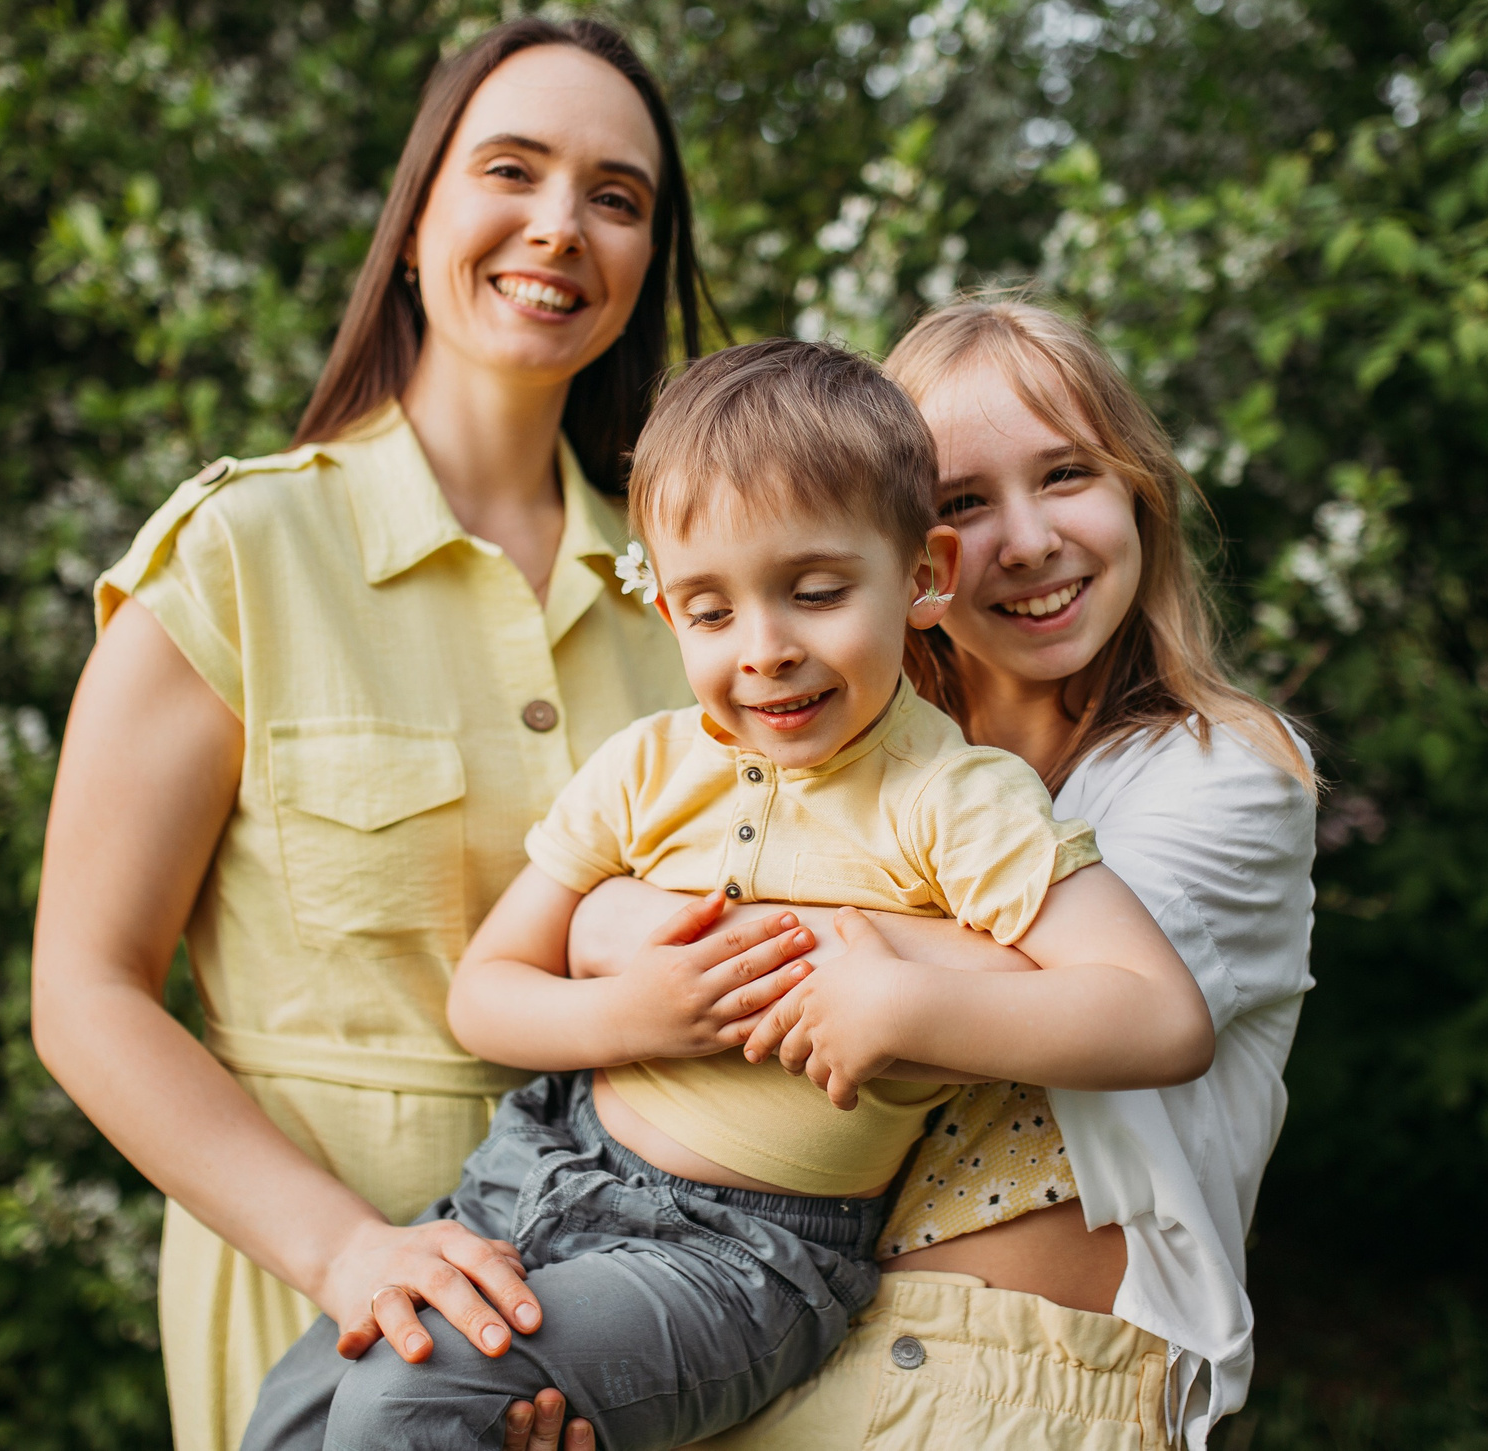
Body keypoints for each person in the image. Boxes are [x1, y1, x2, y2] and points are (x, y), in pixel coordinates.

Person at [29, 17, 800, 1451]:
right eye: (513, 170)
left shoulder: (700, 606)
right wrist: (346, 1252)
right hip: (315, 1306)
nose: (559, 227)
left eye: (616, 196)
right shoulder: (242, 549)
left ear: (646, 262)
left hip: (624, 1331)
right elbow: (85, 989)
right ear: (416, 220)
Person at [239, 339, 1217, 1450]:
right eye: (710, 612)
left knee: (413, 1395)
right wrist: (633, 1015)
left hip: (742, 1258)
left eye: (814, 592)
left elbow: (1161, 1016)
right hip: (532, 1177)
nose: (765, 651)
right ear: (665, 608)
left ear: (925, 575)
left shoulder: (953, 800)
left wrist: (901, 1007)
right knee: (304, 1405)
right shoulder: (646, 768)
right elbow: (486, 995)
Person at [533, 297, 1319, 1451]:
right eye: (963, 501)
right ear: (910, 555)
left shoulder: (1218, 776)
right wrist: (603, 916)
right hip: (791, 1317)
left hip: (1020, 1377)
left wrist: (632, 923)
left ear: (1138, 490)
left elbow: (1091, 987)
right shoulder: (872, 768)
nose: (1027, 540)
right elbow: (601, 898)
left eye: (1064, 474)